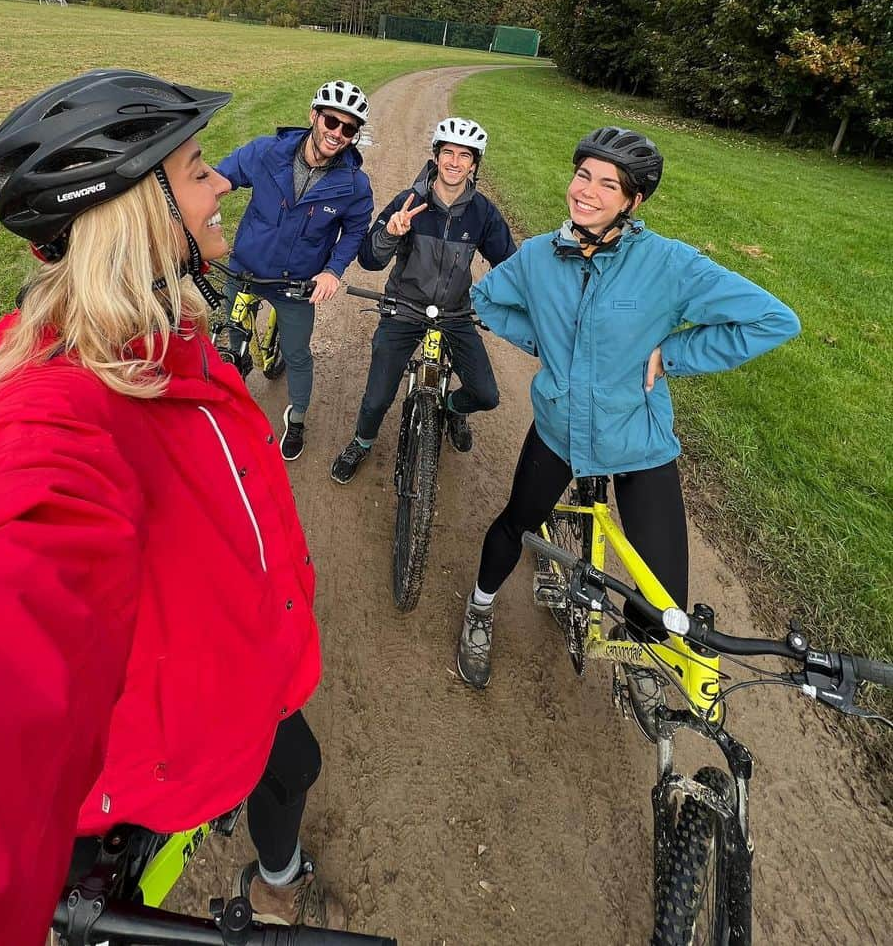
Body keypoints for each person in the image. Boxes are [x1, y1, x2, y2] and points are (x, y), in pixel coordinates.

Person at [0, 69, 344, 946]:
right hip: (175, 739)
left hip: (257, 673)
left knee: (298, 766)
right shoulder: (61, 400)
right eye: (198, 168)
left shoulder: (165, 329)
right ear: (135, 214)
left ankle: (281, 868)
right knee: (288, 772)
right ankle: (281, 873)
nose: (221, 186)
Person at [455, 126, 801, 693]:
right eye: (582, 175)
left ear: (633, 201)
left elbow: (773, 320)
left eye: (606, 184)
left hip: (637, 439)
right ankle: (480, 606)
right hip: (559, 431)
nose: (585, 191)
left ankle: (642, 655)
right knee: (516, 522)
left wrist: (675, 354)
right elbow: (487, 299)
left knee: (665, 595)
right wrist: (542, 341)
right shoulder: (541, 255)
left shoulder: (669, 265)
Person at [331, 117, 516, 484]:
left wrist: (503, 303)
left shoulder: (483, 213)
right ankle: (362, 442)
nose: (454, 162)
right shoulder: (408, 201)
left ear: (474, 164)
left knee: (486, 394)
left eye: (465, 156)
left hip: (455, 313)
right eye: (448, 152)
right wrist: (389, 232)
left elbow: (509, 265)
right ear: (435, 157)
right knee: (377, 397)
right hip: (404, 307)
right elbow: (369, 259)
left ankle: (450, 408)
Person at [216, 79, 374, 462]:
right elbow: (220, 179)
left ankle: (298, 416)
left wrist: (333, 270)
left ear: (354, 136)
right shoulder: (267, 152)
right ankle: (219, 419)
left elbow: (355, 230)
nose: (337, 133)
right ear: (313, 116)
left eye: (348, 128)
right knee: (224, 342)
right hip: (245, 270)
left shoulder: (354, 185)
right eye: (331, 122)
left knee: (298, 353)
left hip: (296, 283)